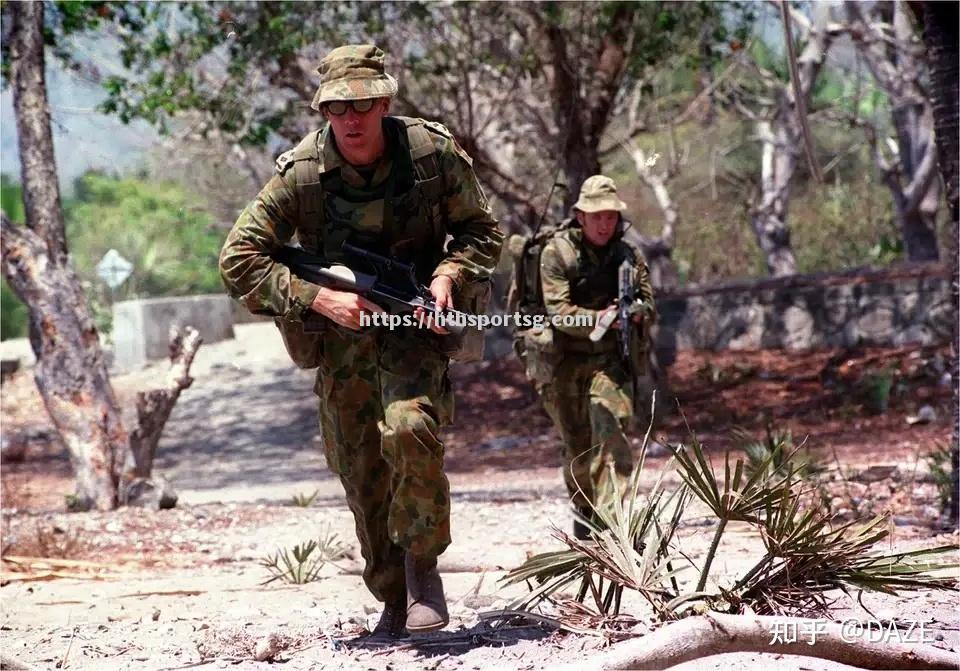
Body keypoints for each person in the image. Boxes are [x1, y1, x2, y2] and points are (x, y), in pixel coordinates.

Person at [219, 44, 502, 637]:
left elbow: (482, 231)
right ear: (324, 110)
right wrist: (317, 298)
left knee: (409, 428)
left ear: (385, 102)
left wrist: (449, 276)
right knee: (361, 468)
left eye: (364, 104)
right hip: (340, 341)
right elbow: (239, 259)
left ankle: (423, 568)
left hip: (412, 329)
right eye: (338, 107)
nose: (352, 118)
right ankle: (392, 597)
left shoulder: (429, 153)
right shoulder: (301, 174)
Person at [536, 175, 656, 539]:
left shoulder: (628, 255)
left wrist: (635, 311)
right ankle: (586, 517)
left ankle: (615, 526)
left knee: (612, 432)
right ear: (580, 217)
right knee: (577, 447)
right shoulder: (557, 253)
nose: (605, 223)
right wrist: (601, 319)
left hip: (609, 362)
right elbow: (559, 313)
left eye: (611, 216)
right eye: (597, 216)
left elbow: (648, 302)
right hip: (564, 363)